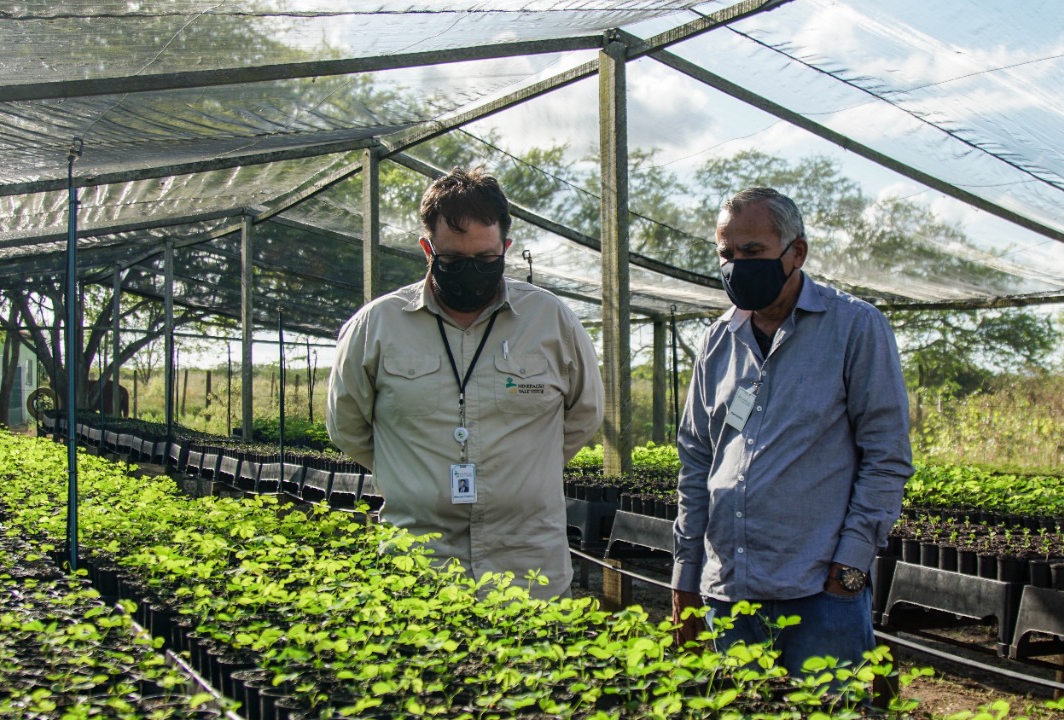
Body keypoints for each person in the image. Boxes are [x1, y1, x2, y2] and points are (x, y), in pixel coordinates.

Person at [326, 167, 603, 600]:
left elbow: (584, 416)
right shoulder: (376, 326)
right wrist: (415, 480)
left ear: (506, 248)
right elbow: (348, 427)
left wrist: (523, 473)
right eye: (454, 260)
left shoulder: (551, 320)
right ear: (427, 249)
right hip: (419, 565)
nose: (471, 271)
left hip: (529, 565)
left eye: (487, 259)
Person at [671, 187, 913, 676]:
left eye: (753, 252)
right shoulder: (718, 341)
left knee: (826, 709)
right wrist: (685, 574)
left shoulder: (855, 328)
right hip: (728, 591)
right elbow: (696, 459)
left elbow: (886, 456)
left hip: (817, 591)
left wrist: (850, 567)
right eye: (727, 254)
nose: (737, 265)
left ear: (795, 252)